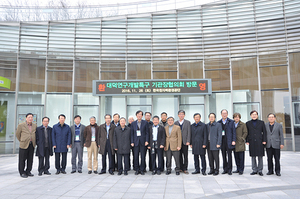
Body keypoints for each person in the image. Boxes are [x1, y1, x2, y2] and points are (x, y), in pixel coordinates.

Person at [246, 110, 267, 176]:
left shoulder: (261, 122)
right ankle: (254, 169)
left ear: (257, 115)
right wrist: (247, 140)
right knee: (253, 156)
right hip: (251, 141)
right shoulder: (248, 123)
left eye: (255, 114)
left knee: (260, 156)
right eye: (252, 114)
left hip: (260, 141)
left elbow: (264, 132)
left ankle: (260, 170)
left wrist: (264, 140)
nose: (254, 115)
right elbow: (247, 133)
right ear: (250, 116)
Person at [16, 113, 37, 178]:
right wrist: (22, 140)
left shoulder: (35, 125)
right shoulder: (21, 125)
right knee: (22, 159)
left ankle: (28, 171)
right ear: (26, 118)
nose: (30, 118)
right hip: (24, 144)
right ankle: (22, 172)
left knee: (30, 159)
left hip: (32, 144)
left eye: (31, 117)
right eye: (29, 117)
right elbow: (18, 134)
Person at [217, 109, 236, 175]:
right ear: (221, 114)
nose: (224, 114)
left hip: (229, 141)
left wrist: (234, 140)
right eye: (223, 113)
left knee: (229, 155)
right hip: (222, 141)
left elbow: (234, 132)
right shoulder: (218, 122)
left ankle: (229, 169)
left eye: (225, 113)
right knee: (223, 155)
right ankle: (225, 169)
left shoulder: (231, 122)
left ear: (227, 114)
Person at [131, 110, 149, 175]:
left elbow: (147, 132)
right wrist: (132, 141)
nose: (139, 115)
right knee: (135, 156)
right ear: (136, 116)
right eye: (138, 114)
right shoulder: (133, 123)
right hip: (135, 142)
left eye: (140, 114)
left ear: (142, 116)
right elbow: (132, 133)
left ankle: (142, 169)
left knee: (143, 156)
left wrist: (147, 141)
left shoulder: (145, 123)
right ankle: (137, 169)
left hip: (143, 142)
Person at [174, 110, 191, 174]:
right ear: (178, 115)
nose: (181, 115)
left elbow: (189, 132)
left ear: (184, 115)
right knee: (179, 155)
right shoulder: (175, 123)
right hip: (178, 142)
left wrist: (188, 141)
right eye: (180, 114)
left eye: (182, 114)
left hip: (185, 142)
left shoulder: (187, 122)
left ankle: (185, 168)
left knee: (185, 156)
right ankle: (180, 167)